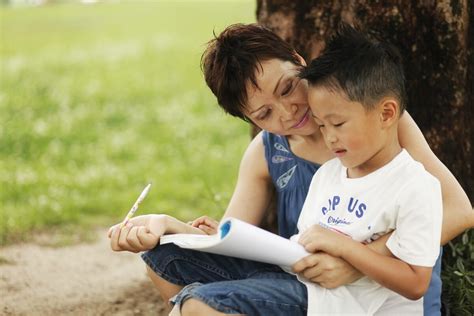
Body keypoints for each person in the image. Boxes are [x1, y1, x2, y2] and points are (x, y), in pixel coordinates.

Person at [108, 23, 473, 315]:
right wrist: (170, 227)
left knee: (202, 301)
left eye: (287, 88)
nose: (288, 112)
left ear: (298, 60)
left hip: (376, 290)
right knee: (164, 258)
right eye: (264, 114)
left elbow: (458, 210)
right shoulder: (267, 152)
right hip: (304, 277)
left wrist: (356, 263)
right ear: (249, 119)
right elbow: (235, 241)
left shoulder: (375, 120)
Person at [290, 24, 441, 314]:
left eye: (338, 124)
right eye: (322, 125)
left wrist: (345, 248)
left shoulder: (416, 186)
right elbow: (307, 246)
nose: (329, 136)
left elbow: (415, 282)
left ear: (386, 113)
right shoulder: (326, 177)